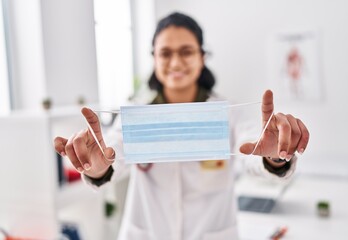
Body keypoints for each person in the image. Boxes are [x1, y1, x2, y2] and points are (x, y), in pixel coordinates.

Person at [54, 12, 309, 240]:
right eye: (165, 53)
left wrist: (275, 157)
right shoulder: (139, 114)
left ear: (202, 56)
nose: (175, 63)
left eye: (186, 51)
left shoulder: (228, 113)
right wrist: (98, 167)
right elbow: (114, 153)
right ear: (154, 58)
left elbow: (252, 150)